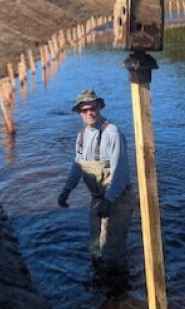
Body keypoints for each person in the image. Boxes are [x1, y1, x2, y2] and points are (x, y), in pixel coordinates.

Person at [57, 89, 133, 279]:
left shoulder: (112, 132)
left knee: (113, 251)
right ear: (79, 113)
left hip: (117, 198)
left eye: (92, 108)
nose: (89, 113)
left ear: (99, 107)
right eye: (84, 110)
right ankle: (98, 281)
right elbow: (78, 165)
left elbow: (120, 173)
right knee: (96, 247)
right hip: (97, 198)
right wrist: (67, 190)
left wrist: (109, 201)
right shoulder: (82, 135)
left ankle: (119, 291)